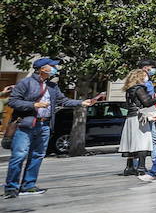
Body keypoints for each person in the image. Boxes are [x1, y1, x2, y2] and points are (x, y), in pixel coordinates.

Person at [4, 58, 98, 198]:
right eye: (52, 66)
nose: (55, 68)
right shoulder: (26, 83)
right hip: (26, 124)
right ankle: (11, 187)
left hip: (44, 125)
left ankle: (28, 186)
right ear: (42, 68)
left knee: (37, 155)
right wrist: (33, 105)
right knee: (19, 155)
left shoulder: (52, 86)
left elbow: (63, 101)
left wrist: (82, 102)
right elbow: (13, 101)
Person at [119, 68, 156, 175]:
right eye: (145, 75)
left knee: (131, 142)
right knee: (143, 141)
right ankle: (141, 167)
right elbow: (147, 102)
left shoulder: (129, 89)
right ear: (140, 77)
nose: (147, 77)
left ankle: (129, 167)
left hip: (130, 117)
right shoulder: (139, 88)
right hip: (139, 117)